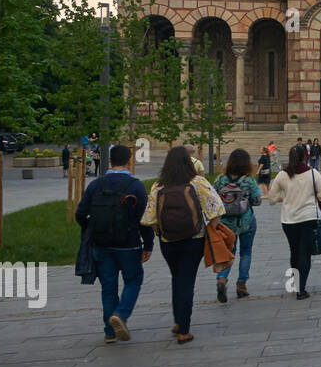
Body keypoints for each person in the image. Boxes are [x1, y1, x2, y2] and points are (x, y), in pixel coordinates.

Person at [140, 145, 225, 344]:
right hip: (193, 240)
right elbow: (217, 209)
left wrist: (161, 232)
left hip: (168, 242)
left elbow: (149, 218)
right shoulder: (198, 182)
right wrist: (212, 228)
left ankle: (178, 321)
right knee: (186, 281)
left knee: (176, 278)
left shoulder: (158, 186)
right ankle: (183, 330)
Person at [75, 143, 149, 344]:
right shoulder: (135, 185)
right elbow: (145, 218)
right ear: (129, 161)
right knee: (133, 280)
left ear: (109, 161)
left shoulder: (96, 185)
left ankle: (109, 331)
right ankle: (121, 315)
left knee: (108, 287)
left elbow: (80, 213)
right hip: (128, 243)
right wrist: (148, 245)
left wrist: (91, 229)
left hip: (101, 243)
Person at [268, 144, 321, 300]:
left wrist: (286, 198)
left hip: (288, 220)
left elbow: (272, 198)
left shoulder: (282, 175)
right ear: (305, 156)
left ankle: (294, 284)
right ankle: (301, 290)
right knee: (305, 253)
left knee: (294, 252)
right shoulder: (312, 173)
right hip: (308, 218)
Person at [213, 149, 262, 301]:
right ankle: (241, 285)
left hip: (226, 223)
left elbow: (213, 199)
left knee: (228, 251)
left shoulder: (220, 179)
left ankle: (222, 278)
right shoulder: (248, 180)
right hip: (246, 221)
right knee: (246, 252)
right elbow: (257, 200)